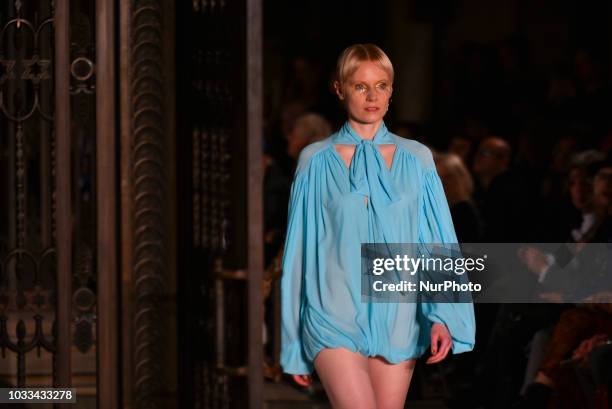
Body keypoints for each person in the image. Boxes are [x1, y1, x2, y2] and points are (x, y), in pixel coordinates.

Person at [280, 43, 476, 409]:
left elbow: (436, 242)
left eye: (381, 85)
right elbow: (298, 254)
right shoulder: (315, 161)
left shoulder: (417, 159)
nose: (372, 96)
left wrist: (443, 313)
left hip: (398, 314)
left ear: (391, 90)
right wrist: (293, 342)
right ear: (339, 89)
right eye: (360, 86)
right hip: (331, 312)